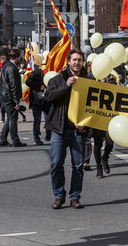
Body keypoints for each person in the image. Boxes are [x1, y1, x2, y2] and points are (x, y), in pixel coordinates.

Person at [45, 49, 87, 209]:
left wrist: (85, 122)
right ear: (68, 62)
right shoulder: (57, 79)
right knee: (56, 163)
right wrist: (66, 85)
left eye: (80, 60)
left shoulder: (88, 80)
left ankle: (75, 197)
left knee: (78, 166)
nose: (77, 63)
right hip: (59, 128)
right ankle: (59, 195)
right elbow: (49, 97)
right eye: (74, 60)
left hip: (77, 130)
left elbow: (93, 107)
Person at [0, 49, 25, 147]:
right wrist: (16, 101)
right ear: (17, 57)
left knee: (10, 117)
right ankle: (15, 140)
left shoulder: (6, 65)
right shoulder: (12, 68)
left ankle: (2, 140)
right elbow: (13, 85)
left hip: (5, 94)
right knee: (13, 118)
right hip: (9, 96)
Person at [25, 63, 47, 145]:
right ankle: (36, 137)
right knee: (37, 119)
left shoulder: (52, 72)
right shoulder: (36, 72)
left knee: (48, 117)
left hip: (46, 99)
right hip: (36, 99)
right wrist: (39, 86)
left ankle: (48, 134)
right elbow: (28, 82)